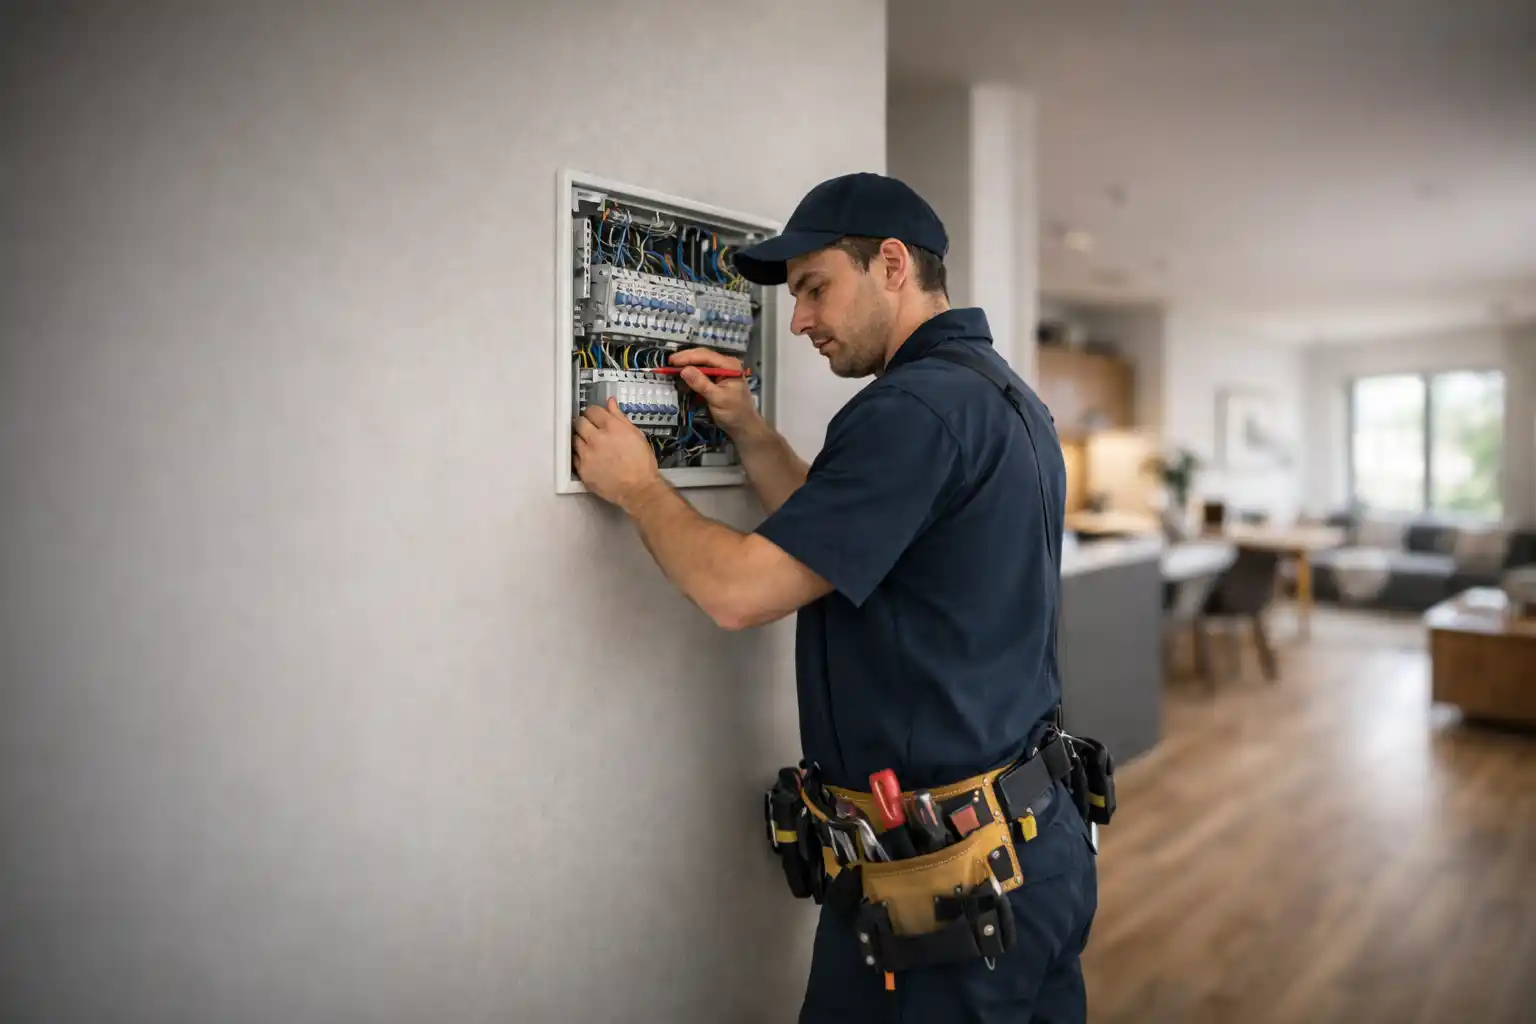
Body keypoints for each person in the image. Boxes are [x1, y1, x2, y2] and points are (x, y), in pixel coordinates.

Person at [573, 172, 1098, 1023]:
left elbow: (740, 591)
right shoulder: (998, 395)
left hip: (946, 894)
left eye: (815, 288)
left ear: (891, 265)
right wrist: (745, 426)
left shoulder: (912, 410)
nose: (801, 320)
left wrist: (639, 487)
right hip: (1036, 857)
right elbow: (844, 542)